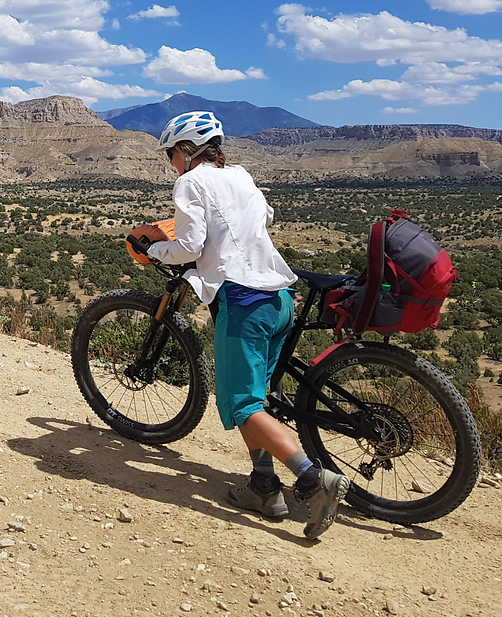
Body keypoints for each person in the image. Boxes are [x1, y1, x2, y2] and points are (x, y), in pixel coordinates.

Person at [128, 110, 351, 540]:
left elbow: (190, 246)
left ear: (187, 150)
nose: (171, 162)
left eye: (172, 153)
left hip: (244, 302)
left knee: (241, 405)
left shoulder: (190, 181)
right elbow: (265, 215)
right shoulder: (241, 174)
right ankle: (263, 487)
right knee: (255, 398)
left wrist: (155, 251)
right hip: (280, 297)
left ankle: (314, 481)